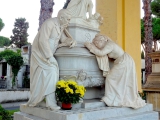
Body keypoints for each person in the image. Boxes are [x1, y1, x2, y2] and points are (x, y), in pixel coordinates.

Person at [27, 9, 76, 110]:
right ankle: (49, 102)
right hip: (40, 55)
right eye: (68, 19)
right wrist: (49, 56)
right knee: (51, 72)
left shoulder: (60, 26)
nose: (68, 22)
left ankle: (41, 100)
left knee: (48, 75)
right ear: (61, 17)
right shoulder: (49, 23)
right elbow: (42, 40)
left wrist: (70, 41)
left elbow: (63, 39)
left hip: (47, 55)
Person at [84, 34, 146, 109]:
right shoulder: (108, 43)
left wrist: (89, 46)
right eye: (95, 45)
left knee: (110, 78)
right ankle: (115, 97)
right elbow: (107, 39)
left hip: (124, 62)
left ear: (101, 41)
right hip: (124, 61)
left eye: (96, 43)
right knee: (120, 80)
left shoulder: (109, 45)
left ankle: (110, 99)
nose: (96, 46)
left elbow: (101, 53)